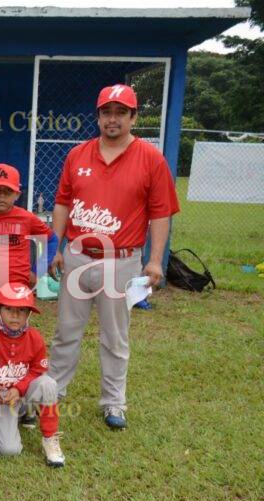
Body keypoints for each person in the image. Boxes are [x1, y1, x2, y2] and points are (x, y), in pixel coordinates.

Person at [47, 84, 180, 430]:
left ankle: (113, 402)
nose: (113, 118)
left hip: (121, 260)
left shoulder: (150, 158)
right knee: (66, 331)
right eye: (107, 112)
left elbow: (161, 212)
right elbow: (62, 202)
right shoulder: (78, 154)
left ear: (134, 117)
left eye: (122, 112)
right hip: (77, 255)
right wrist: (56, 247)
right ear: (98, 116)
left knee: (115, 336)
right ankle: (52, 393)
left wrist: (154, 260)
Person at [0, 163, 56, 327]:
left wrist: (38, 271)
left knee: (13, 340)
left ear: (17, 194)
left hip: (15, 293)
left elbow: (51, 240)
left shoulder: (25, 218)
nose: (2, 196)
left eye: (8, 192)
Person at [0, 283, 64, 467]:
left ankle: (50, 438)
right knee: (9, 450)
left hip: (23, 393)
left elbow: (38, 369)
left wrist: (19, 388)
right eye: (9, 309)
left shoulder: (34, 337)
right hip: (1, 400)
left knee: (48, 384)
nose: (15, 315)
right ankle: (23, 414)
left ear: (29, 313)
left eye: (22, 310)